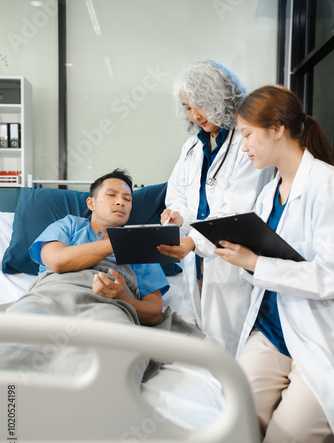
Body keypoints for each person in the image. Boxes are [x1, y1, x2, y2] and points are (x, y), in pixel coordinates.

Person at [214, 85, 334, 443]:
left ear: (277, 129)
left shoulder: (327, 186)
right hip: (271, 328)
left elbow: (330, 277)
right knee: (234, 419)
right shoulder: (269, 192)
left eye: (247, 134)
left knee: (289, 442)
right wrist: (239, 255)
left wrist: (254, 262)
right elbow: (266, 264)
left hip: (316, 333)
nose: (242, 145)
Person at [158, 59, 273, 354]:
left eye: (200, 104)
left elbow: (237, 210)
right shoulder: (193, 147)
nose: (195, 115)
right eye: (187, 108)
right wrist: (176, 216)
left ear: (219, 97)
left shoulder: (246, 143)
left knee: (232, 341)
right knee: (206, 334)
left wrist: (192, 242)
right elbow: (177, 193)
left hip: (230, 259)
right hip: (195, 258)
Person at [6, 169, 169, 327]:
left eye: (127, 199)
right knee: (13, 340)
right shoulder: (68, 226)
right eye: (111, 195)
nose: (120, 202)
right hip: (50, 297)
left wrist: (125, 299)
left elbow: (154, 313)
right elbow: (57, 261)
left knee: (117, 351)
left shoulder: (140, 246)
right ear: (91, 203)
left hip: (109, 308)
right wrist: (120, 241)